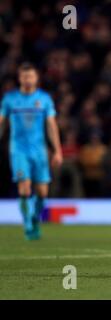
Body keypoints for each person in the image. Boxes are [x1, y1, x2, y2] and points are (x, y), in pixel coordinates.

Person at [0, 62, 63, 240]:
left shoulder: (44, 99)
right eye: (24, 76)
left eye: (31, 76)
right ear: (20, 78)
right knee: (25, 189)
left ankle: (35, 218)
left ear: (36, 78)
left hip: (40, 152)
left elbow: (51, 125)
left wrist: (57, 151)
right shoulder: (10, 99)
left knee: (42, 192)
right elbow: (2, 123)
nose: (27, 79)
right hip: (19, 151)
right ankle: (28, 223)